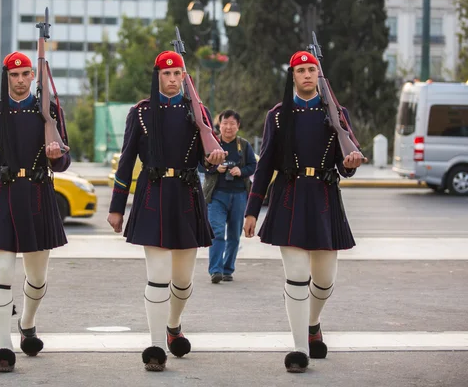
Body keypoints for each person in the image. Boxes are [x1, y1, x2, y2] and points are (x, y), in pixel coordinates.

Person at [242, 51, 363, 373]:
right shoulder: (278, 116)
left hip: (324, 198)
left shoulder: (335, 112)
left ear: (318, 76)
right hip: (289, 198)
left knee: (324, 281)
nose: (307, 75)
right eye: (301, 71)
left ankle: (312, 323)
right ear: (292, 76)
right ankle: (298, 349)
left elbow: (344, 161)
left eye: (312, 70)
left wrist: (349, 166)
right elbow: (265, 163)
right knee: (296, 278)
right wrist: (252, 210)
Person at [107, 51, 226, 372]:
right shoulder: (141, 113)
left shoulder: (197, 111)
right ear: (157, 75)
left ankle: (174, 325)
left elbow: (206, 157)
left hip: (187, 196)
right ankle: (156, 345)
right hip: (153, 195)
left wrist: (214, 158)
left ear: (184, 77)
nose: (173, 79)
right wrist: (117, 208)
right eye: (167, 74)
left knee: (183, 281)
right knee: (158, 277)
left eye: (178, 74)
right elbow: (126, 161)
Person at [0, 51, 70, 373]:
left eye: (25, 75)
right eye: (14, 75)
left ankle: (27, 321)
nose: (20, 80)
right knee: (2, 274)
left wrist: (55, 155)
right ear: (6, 77)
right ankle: (3, 347)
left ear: (33, 77)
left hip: (38, 194)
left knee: (37, 278)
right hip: (1, 195)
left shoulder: (48, 112)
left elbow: (64, 163)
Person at [200, 109, 257, 283]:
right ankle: (215, 270)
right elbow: (200, 165)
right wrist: (215, 168)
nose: (228, 127)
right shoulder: (211, 143)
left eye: (232, 124)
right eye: (225, 123)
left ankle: (227, 269)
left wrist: (241, 170)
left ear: (238, 126)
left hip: (239, 195)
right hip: (217, 195)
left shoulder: (244, 145)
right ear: (220, 125)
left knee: (233, 235)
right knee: (216, 231)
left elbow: (253, 166)